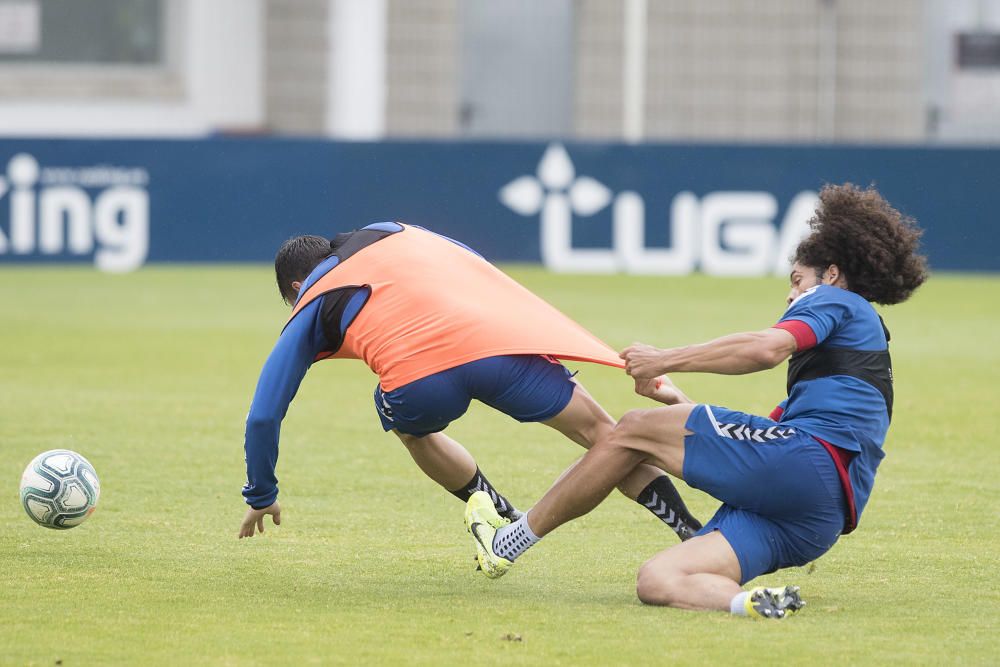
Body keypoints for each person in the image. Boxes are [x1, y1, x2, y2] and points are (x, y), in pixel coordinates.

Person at [465, 183, 928, 620]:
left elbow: (764, 350)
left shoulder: (834, 299)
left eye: (796, 279)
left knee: (630, 430)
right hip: (814, 518)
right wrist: (675, 398)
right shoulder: (844, 368)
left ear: (830, 274)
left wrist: (663, 358)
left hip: (805, 465)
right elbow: (752, 447)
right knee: (659, 579)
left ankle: (507, 542)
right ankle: (751, 603)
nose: (791, 293)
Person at [237, 221, 701, 541]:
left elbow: (263, 415)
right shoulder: (386, 232)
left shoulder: (313, 300)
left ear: (296, 287)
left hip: (421, 384)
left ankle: (499, 514)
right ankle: (687, 528)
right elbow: (466, 260)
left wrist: (262, 494)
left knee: (407, 426)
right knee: (606, 434)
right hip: (494, 346)